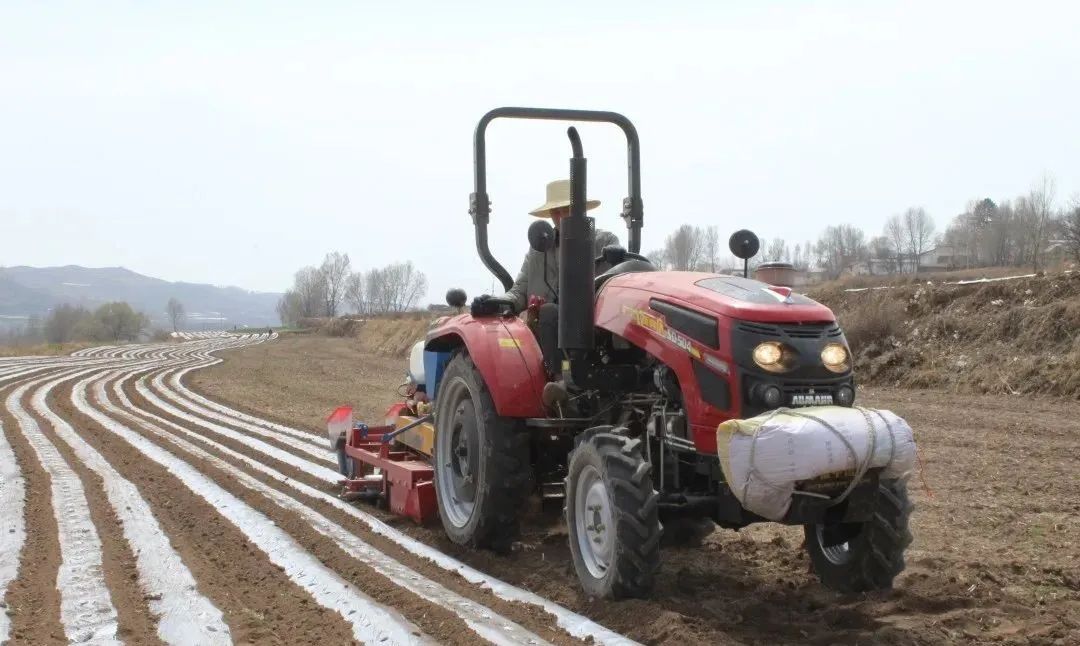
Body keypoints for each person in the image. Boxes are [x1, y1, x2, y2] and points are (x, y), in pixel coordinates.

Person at [502, 179, 600, 313]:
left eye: (566, 209)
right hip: (543, 328)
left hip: (590, 327)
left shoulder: (604, 242)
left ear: (580, 210)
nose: (560, 217)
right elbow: (519, 291)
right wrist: (498, 303)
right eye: (555, 211)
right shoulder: (537, 249)